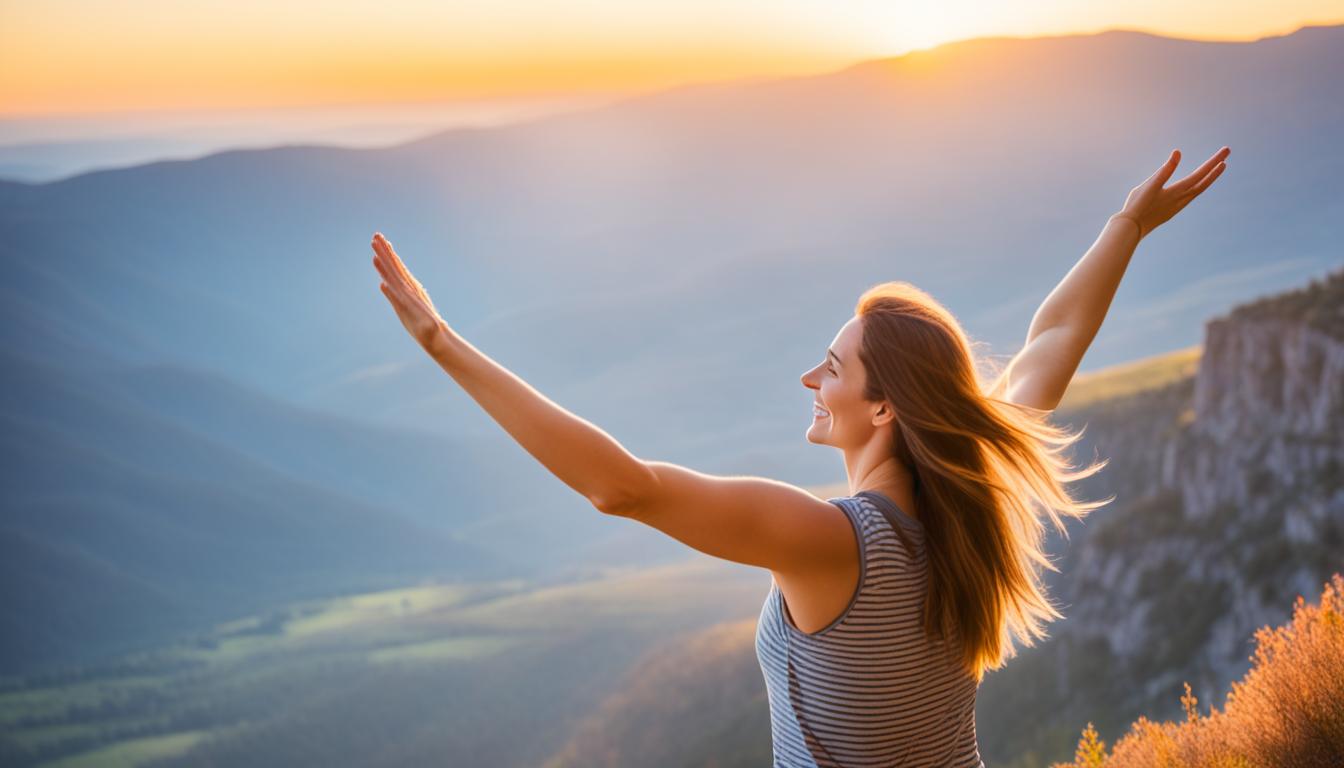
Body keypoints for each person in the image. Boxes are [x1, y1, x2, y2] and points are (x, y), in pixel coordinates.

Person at [370, 145, 1230, 766]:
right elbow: (1055, 337)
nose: (810, 377)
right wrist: (1127, 226)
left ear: (885, 406)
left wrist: (443, 343)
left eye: (835, 366)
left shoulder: (833, 544)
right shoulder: (974, 488)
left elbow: (620, 488)